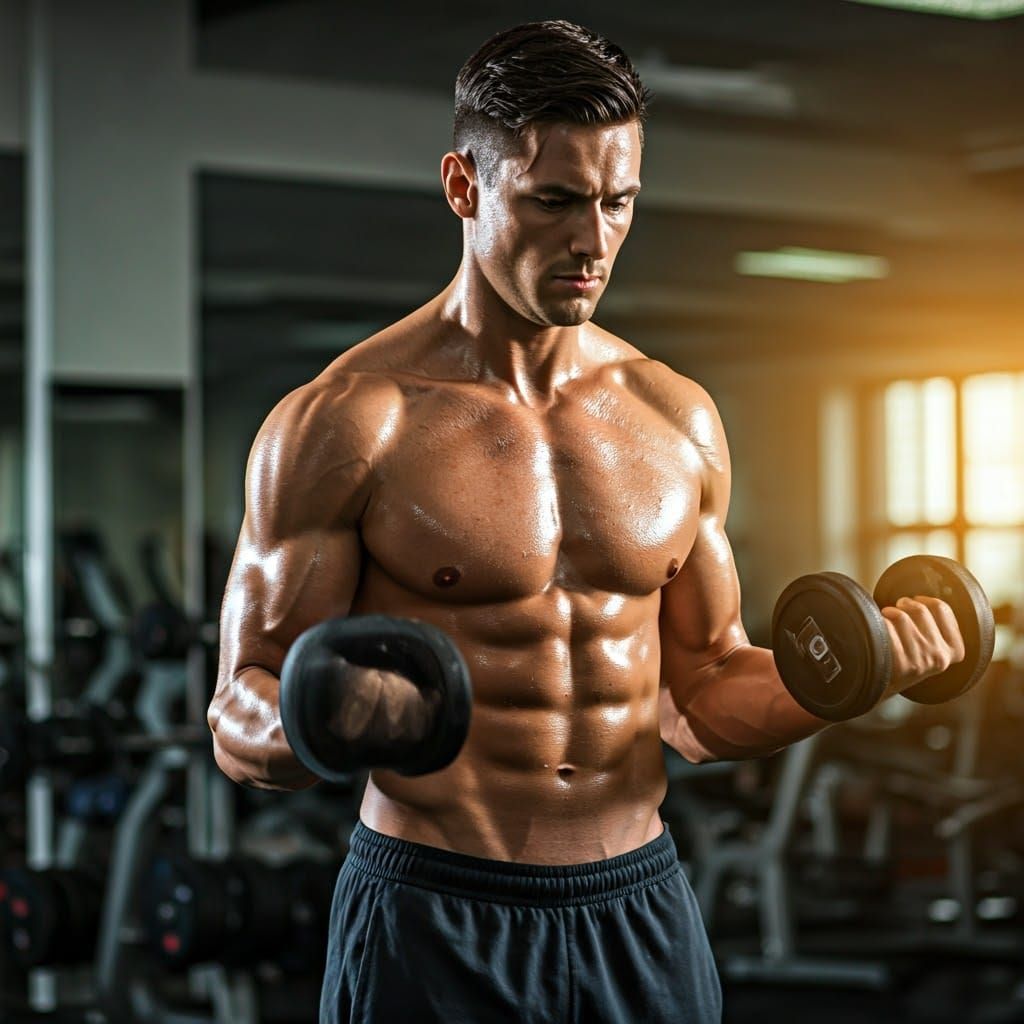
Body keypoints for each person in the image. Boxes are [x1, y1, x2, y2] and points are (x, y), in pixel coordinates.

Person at [208, 20, 966, 1024]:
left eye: (619, 203)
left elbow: (697, 693)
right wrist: (317, 722)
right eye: (554, 200)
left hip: (636, 906)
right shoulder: (347, 422)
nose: (592, 240)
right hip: (433, 910)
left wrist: (849, 673)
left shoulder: (674, 417)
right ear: (462, 186)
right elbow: (237, 709)